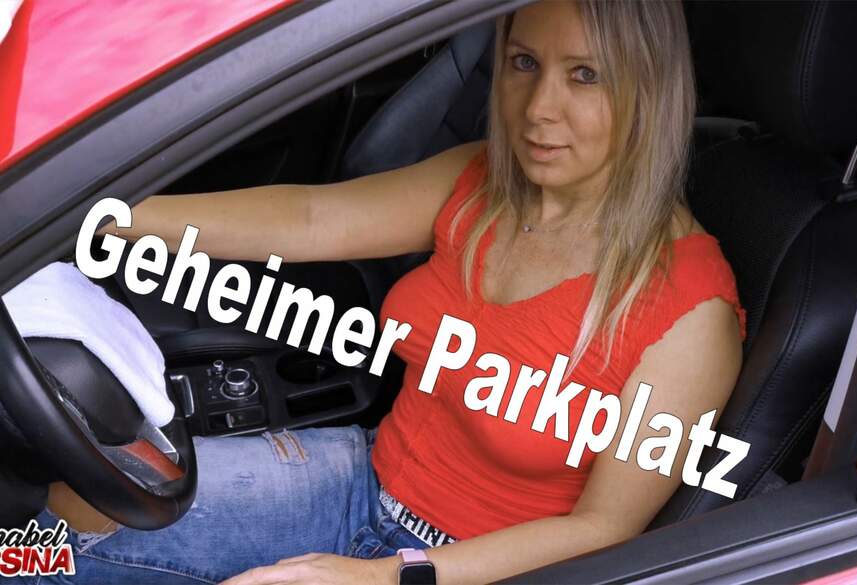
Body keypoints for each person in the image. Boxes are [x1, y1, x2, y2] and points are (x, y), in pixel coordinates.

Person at [33, 1, 747, 583]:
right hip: (362, 482)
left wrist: (383, 577)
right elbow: (311, 218)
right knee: (61, 520)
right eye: (524, 63)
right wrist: (94, 218)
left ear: (649, 88)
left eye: (585, 75)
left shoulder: (690, 314)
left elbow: (602, 530)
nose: (538, 109)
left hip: (469, 569)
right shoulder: (485, 183)